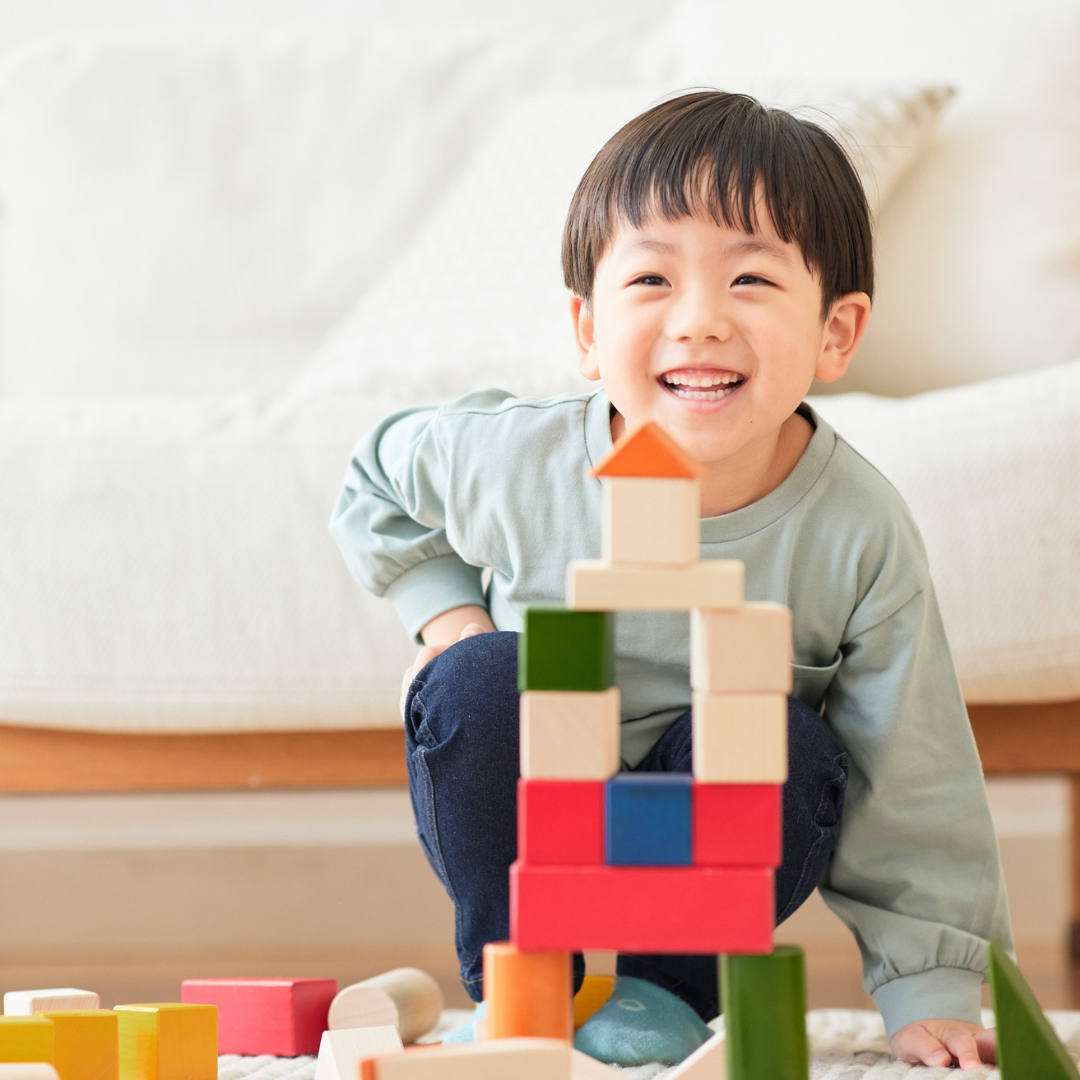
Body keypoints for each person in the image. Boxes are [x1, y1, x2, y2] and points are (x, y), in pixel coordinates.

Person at [329, 90, 1010, 1071]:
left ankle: (666, 991)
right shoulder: (513, 459)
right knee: (475, 679)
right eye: (651, 278)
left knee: (787, 739)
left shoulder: (857, 530)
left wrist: (932, 985)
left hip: (712, 818)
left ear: (837, 333)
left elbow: (912, 768)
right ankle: (524, 981)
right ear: (587, 331)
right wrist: (447, 620)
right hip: (539, 806)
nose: (699, 322)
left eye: (752, 282)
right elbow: (373, 477)